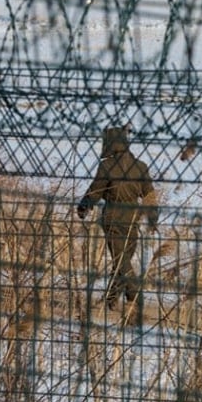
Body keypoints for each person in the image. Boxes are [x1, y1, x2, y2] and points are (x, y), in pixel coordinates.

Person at [77, 126, 158, 308]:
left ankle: (134, 297)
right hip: (132, 220)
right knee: (122, 261)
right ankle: (112, 301)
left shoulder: (107, 166)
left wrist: (84, 206)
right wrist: (153, 219)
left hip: (113, 218)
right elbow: (149, 196)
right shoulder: (141, 167)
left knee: (121, 262)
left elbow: (95, 191)